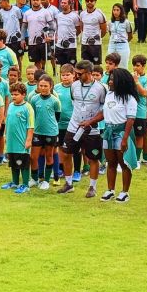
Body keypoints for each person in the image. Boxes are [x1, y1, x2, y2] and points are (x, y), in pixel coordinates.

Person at [57, 60, 107, 197]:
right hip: (74, 126)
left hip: (92, 128)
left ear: (90, 73)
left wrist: (91, 121)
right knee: (66, 153)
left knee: (93, 158)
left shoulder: (101, 88)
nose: (77, 76)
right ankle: (68, 184)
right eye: (76, 73)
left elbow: (104, 110)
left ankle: (92, 187)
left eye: (80, 73)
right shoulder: (74, 86)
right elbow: (75, 104)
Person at [100, 67, 138, 203]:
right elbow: (104, 113)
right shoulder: (109, 94)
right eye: (109, 79)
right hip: (108, 131)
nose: (110, 82)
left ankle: (125, 192)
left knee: (124, 163)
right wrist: (89, 122)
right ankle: (110, 190)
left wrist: (125, 139)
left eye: (113, 80)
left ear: (121, 81)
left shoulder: (129, 98)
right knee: (111, 162)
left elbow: (130, 119)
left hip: (121, 132)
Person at [0, 83, 36, 193]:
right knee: (13, 162)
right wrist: (5, 135)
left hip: (22, 141)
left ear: (24, 94)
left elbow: (31, 126)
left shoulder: (28, 108)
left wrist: (28, 140)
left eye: (16, 94)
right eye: (12, 94)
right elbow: (8, 122)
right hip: (11, 141)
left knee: (23, 163)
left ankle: (25, 185)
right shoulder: (11, 105)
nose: (13, 96)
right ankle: (15, 182)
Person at [23, 0, 58, 73]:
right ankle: (38, 75)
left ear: (40, 1)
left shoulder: (45, 12)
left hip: (43, 40)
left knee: (45, 58)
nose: (35, 2)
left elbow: (52, 25)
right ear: (31, 1)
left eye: (37, 0)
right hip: (32, 41)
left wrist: (50, 36)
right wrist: (22, 39)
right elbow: (24, 27)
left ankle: (50, 72)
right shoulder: (27, 13)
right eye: (34, 0)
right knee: (36, 61)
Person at [77, 0, 107, 65]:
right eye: (87, 1)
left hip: (95, 44)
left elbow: (104, 30)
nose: (89, 2)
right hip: (85, 43)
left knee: (96, 66)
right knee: (84, 65)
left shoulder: (99, 14)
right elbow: (82, 27)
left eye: (91, 1)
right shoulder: (82, 14)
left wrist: (98, 38)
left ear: (95, 2)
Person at [107, 4, 131, 68]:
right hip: (112, 45)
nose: (115, 12)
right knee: (111, 64)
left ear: (121, 11)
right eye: (114, 10)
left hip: (123, 45)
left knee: (122, 65)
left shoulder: (126, 22)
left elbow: (130, 35)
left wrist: (124, 41)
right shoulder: (110, 22)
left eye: (117, 10)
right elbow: (110, 33)